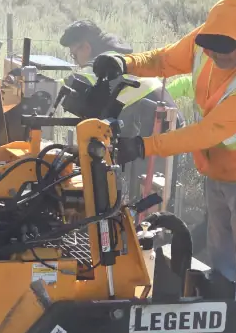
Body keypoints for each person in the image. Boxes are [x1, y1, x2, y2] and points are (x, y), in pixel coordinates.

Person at [92, 0, 236, 317]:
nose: (212, 53)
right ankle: (220, 325)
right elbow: (164, 60)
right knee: (222, 256)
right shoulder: (209, 43)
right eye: (209, 45)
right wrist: (125, 63)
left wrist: (144, 146)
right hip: (220, 171)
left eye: (221, 49)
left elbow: (206, 133)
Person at [58, 20, 187, 207]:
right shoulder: (119, 57)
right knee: (160, 195)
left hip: (153, 123)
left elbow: (69, 85)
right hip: (166, 121)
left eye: (74, 54)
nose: (75, 61)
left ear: (85, 47)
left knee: (144, 197)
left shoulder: (101, 65)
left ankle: (139, 232)